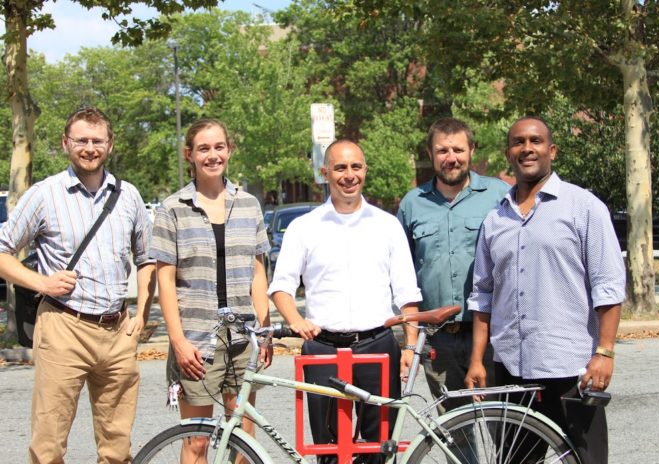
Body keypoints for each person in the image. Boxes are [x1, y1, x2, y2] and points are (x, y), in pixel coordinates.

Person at [465, 116, 625, 464]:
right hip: (512, 368)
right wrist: (477, 359)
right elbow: (483, 293)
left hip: (570, 366)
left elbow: (608, 286)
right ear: (509, 153)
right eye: (518, 142)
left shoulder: (584, 208)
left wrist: (606, 352)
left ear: (551, 150)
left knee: (588, 459)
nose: (527, 149)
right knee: (517, 460)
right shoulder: (495, 219)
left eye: (535, 141)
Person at [0, 106, 156, 463]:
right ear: (66, 143)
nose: (89, 147)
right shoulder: (45, 194)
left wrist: (142, 316)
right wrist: (41, 281)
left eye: (97, 140)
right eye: (81, 140)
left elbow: (148, 260)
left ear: (110, 145)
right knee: (49, 444)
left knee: (117, 447)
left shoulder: (128, 196)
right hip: (63, 326)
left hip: (117, 331)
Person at [268, 140, 422, 464]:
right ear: (325, 173)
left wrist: (409, 346)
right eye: (340, 167)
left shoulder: (387, 225)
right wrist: (294, 319)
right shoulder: (303, 228)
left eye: (355, 167)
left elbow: (407, 293)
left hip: (377, 345)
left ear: (365, 170)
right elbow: (281, 286)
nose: (348, 175)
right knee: (328, 451)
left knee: (378, 449)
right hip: (322, 348)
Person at [149, 118, 272, 463]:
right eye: (204, 148)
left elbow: (258, 273)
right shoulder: (172, 209)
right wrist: (178, 341)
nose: (213, 155)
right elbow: (165, 281)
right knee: (197, 441)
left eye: (219, 147)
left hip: (242, 337)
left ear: (229, 150)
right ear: (189, 154)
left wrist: (263, 332)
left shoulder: (248, 204)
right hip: (197, 339)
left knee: (244, 438)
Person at [397, 117, 509, 414]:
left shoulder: (500, 196)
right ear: (430, 154)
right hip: (438, 340)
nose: (451, 158)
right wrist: (410, 340)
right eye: (442, 151)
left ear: (471, 150)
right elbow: (402, 275)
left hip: (491, 335)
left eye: (458, 150)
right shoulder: (412, 204)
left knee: (504, 425)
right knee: (454, 432)